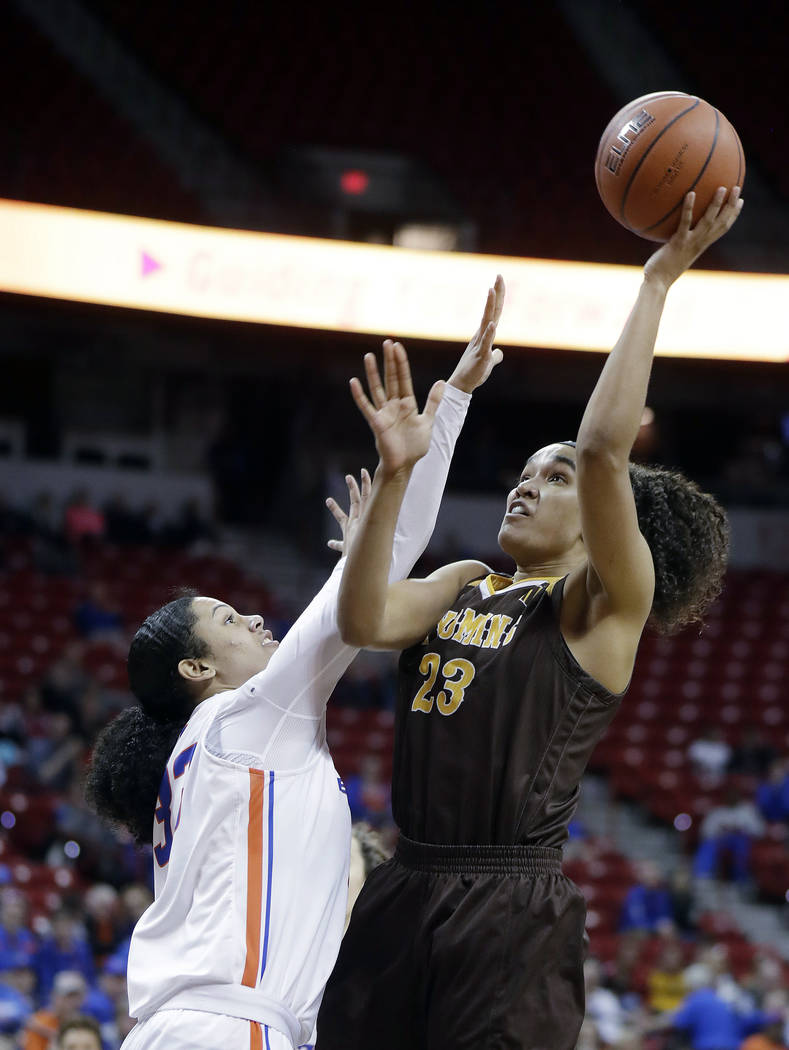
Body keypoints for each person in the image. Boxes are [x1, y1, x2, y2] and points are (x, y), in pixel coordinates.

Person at [316, 187, 742, 1050]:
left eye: (552, 480)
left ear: (598, 519)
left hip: (508, 907)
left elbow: (601, 451)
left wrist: (656, 282)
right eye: (523, 471)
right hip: (405, 884)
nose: (527, 484)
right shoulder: (467, 578)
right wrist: (397, 476)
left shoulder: (599, 608)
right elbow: (360, 619)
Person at [84, 282, 506, 1050]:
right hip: (229, 1029)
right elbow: (371, 591)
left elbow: (366, 590)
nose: (251, 615)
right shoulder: (242, 719)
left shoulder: (224, 748)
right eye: (223, 620)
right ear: (197, 671)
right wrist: (441, 418)